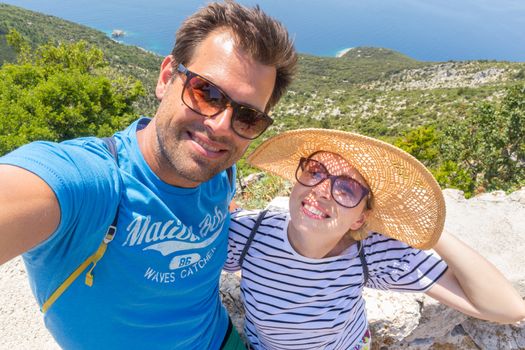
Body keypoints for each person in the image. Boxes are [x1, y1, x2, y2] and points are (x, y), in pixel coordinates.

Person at [0, 1, 297, 349]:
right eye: (207, 92)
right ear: (166, 78)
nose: (220, 127)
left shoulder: (220, 171)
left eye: (248, 117)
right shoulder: (89, 183)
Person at [224, 128, 525, 350]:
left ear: (360, 218)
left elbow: (506, 307)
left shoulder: (372, 254)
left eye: (347, 189)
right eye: (316, 171)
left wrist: (429, 231)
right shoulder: (250, 233)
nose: (322, 190)